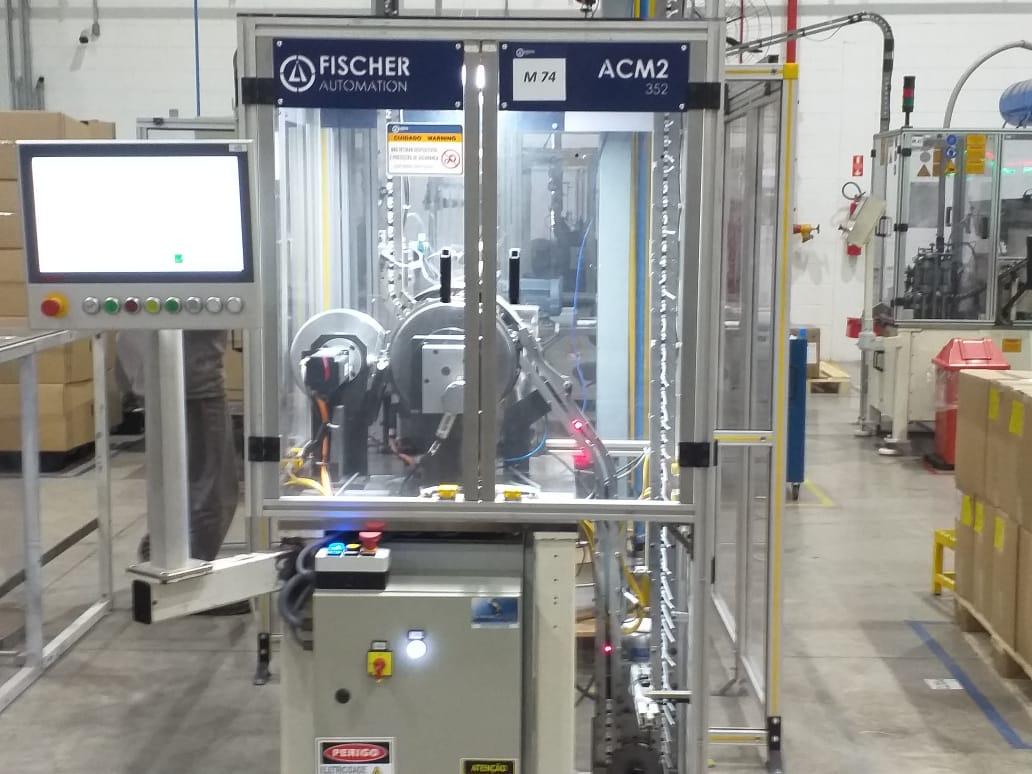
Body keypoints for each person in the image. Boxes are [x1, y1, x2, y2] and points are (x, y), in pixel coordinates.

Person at [118, 330, 243, 613]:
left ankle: (162, 556)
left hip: (166, 372)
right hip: (192, 380)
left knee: (179, 482)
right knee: (213, 488)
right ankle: (186, 588)